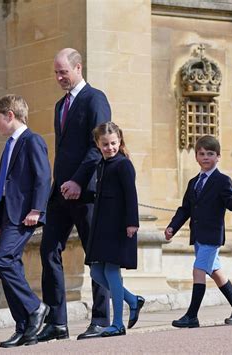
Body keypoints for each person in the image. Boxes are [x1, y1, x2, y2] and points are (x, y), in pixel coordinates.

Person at [38, 48, 111, 342]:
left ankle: (101, 320)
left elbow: (99, 146)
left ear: (78, 68)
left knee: (96, 256)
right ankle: (57, 322)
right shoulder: (59, 106)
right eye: (56, 72)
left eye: (63, 72)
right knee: (48, 250)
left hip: (88, 191)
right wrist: (59, 185)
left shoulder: (95, 99)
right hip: (61, 193)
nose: (58, 77)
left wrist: (79, 181)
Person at [165, 135, 232, 328]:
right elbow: (185, 208)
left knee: (198, 270)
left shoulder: (222, 180)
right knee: (216, 272)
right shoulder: (194, 182)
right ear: (196, 157)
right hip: (198, 236)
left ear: (218, 157)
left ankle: (192, 316)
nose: (205, 157)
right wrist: (172, 227)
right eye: (201, 154)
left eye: (210, 154)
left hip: (212, 236)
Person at [0, 95, 52, 348]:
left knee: (2, 260)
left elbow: (43, 176)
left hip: (24, 214)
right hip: (8, 214)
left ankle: (36, 307)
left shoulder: (32, 140)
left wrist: (37, 209)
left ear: (10, 115)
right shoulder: (9, 145)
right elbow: (5, 183)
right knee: (11, 265)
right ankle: (24, 326)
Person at [84, 121, 145, 337]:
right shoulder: (101, 164)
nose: (109, 147)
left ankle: (117, 323)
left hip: (119, 225)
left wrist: (132, 223)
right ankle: (132, 299)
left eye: (113, 143)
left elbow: (131, 195)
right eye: (105, 144)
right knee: (95, 271)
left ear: (119, 141)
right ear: (98, 144)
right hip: (102, 226)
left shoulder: (123, 164)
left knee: (111, 271)